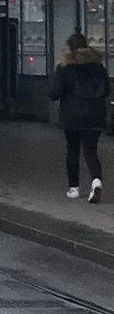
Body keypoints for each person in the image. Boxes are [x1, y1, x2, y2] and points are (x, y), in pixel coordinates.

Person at [49, 32, 108, 203]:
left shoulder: (65, 67)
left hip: (72, 116)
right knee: (91, 151)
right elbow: (106, 91)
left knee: (73, 150)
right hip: (96, 115)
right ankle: (96, 181)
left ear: (70, 47)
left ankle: (73, 188)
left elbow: (54, 93)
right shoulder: (99, 67)